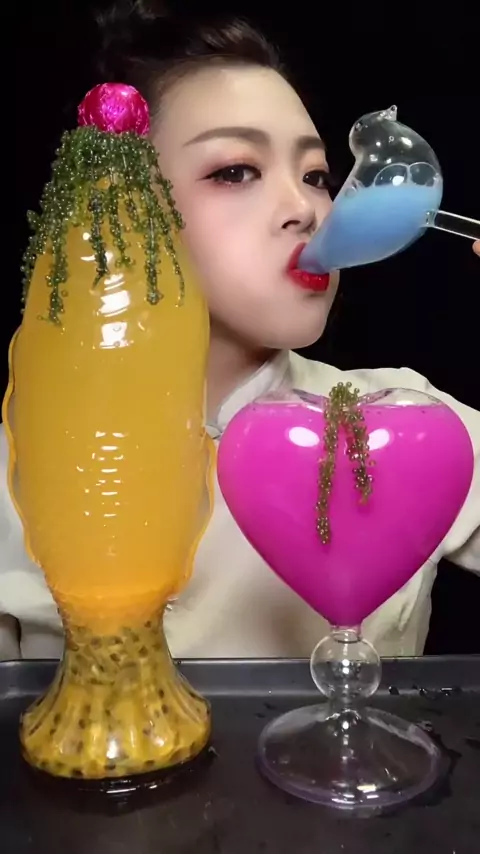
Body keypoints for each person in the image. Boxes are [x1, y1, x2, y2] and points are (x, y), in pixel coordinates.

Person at [1, 1, 479, 661]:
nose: (305, 209)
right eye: (235, 171)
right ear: (122, 209)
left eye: (317, 176)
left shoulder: (407, 420)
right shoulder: (20, 463)